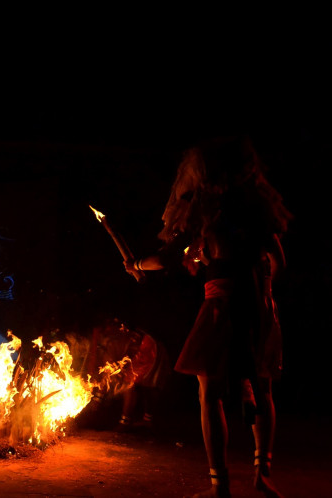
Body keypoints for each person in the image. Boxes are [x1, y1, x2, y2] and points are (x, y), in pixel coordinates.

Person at [124, 136, 291, 497]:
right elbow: (278, 263)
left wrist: (135, 264)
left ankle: (221, 487)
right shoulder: (258, 203)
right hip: (261, 303)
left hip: (224, 303)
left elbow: (167, 259)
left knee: (210, 392)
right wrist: (259, 290)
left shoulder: (204, 205)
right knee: (261, 387)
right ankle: (263, 473)